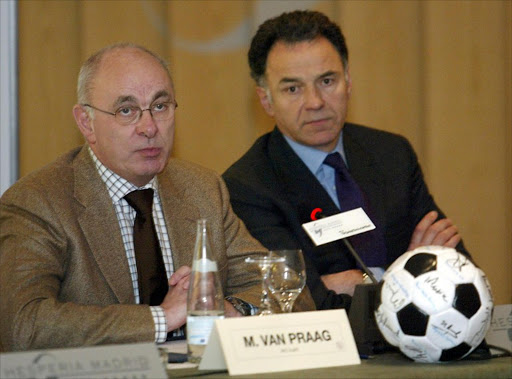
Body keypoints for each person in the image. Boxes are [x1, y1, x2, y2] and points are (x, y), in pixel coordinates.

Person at [0, 43, 314, 352]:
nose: (150, 127)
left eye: (160, 106)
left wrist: (230, 311)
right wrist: (161, 319)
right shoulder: (38, 202)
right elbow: (22, 325)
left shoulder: (202, 189)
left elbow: (290, 292)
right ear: (86, 123)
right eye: (127, 111)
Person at [223, 10, 469, 311]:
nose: (315, 102)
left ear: (348, 80)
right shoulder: (249, 186)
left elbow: (459, 272)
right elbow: (303, 304)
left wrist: (367, 283)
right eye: (292, 88)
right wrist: (411, 277)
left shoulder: (391, 153)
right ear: (266, 100)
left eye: (327, 81)